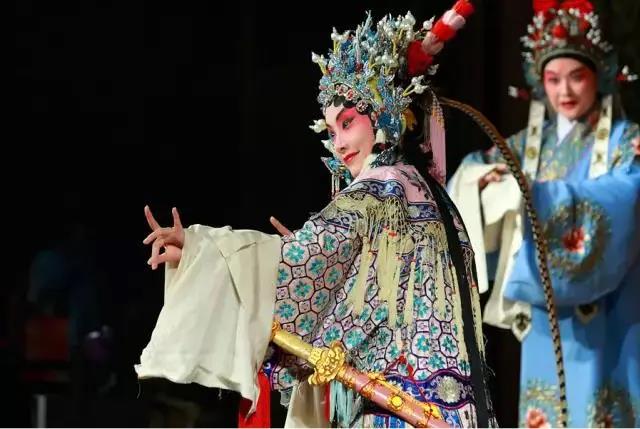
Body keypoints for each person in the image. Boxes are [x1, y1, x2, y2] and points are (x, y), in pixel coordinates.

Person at [136, 2, 498, 427]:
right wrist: (327, 266)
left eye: (348, 123)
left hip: (400, 409)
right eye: (331, 131)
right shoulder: (429, 192)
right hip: (453, 408)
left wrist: (202, 251)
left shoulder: (379, 188)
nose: (339, 143)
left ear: (383, 114)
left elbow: (301, 263)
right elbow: (369, 299)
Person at [447, 0, 640, 426]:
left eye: (577, 77)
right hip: (545, 314)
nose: (565, 92)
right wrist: (486, 183)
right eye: (554, 80)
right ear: (540, 83)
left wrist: (541, 197)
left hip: (611, 311)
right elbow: (472, 173)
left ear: (599, 78)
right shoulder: (527, 146)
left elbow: (629, 192)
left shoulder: (627, 141)